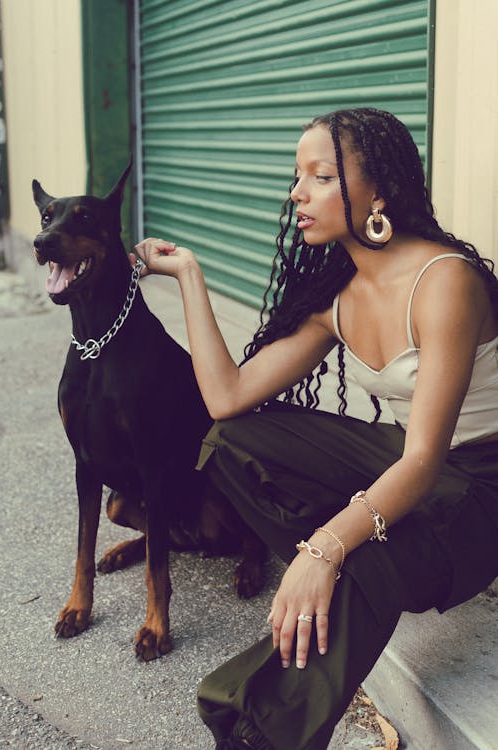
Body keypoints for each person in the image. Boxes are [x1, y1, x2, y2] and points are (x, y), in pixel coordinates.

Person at [134, 107, 498, 750]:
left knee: (362, 561)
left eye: (321, 177)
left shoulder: (445, 282)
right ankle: (364, 555)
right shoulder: (339, 298)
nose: (297, 193)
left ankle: (255, 731)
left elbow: (422, 459)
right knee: (233, 441)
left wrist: (326, 546)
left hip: (481, 486)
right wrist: (189, 274)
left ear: (377, 191)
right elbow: (226, 398)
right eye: (296, 176)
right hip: (424, 471)